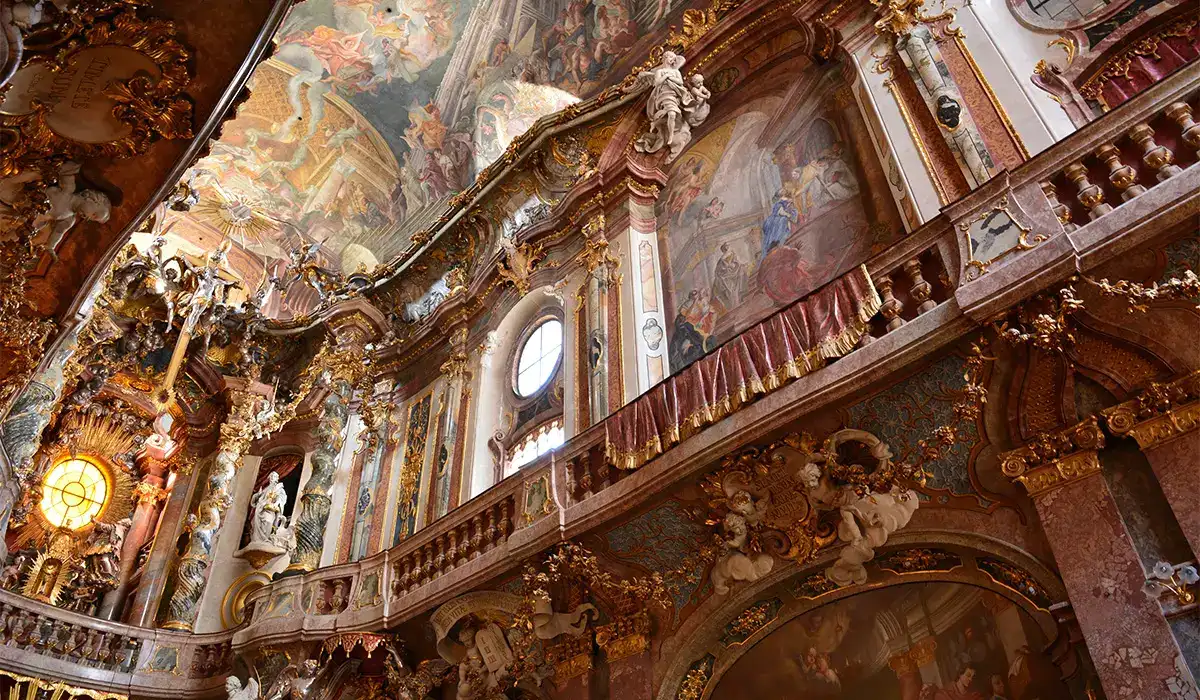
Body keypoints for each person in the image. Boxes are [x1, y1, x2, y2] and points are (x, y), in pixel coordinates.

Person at [759, 191, 798, 263]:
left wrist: (790, 213)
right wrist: (788, 215)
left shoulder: (791, 208)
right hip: (776, 224)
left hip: (782, 224)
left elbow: (794, 219)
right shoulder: (779, 205)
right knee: (781, 222)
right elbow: (781, 212)